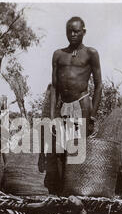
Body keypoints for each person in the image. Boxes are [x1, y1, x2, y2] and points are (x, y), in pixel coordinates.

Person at [39, 16, 102, 195]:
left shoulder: (91, 53)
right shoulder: (58, 55)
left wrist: (93, 114)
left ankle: (78, 192)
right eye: (69, 31)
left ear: (84, 31)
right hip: (64, 107)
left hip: (81, 104)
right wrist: (52, 116)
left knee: (77, 149)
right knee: (60, 150)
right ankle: (62, 193)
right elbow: (55, 88)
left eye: (76, 31)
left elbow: (99, 85)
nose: (72, 34)